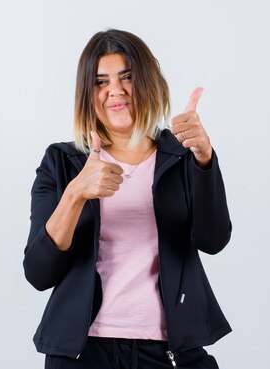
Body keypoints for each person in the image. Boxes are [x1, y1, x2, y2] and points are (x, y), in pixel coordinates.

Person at [23, 29, 232, 369]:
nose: (114, 91)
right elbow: (38, 273)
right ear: (87, 94)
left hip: (169, 351)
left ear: (148, 83)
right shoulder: (62, 162)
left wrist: (204, 159)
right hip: (83, 352)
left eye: (127, 78)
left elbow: (213, 239)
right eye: (100, 81)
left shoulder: (182, 157)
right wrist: (76, 192)